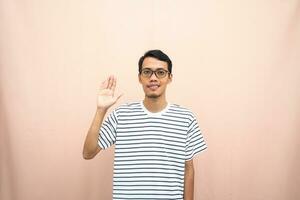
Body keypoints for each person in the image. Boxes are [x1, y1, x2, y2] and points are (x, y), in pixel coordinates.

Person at [83, 49, 207, 200]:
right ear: (139, 78)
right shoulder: (121, 115)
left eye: (160, 72)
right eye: (147, 72)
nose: (153, 78)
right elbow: (88, 153)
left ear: (170, 78)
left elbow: (189, 170)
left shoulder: (186, 119)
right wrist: (101, 110)